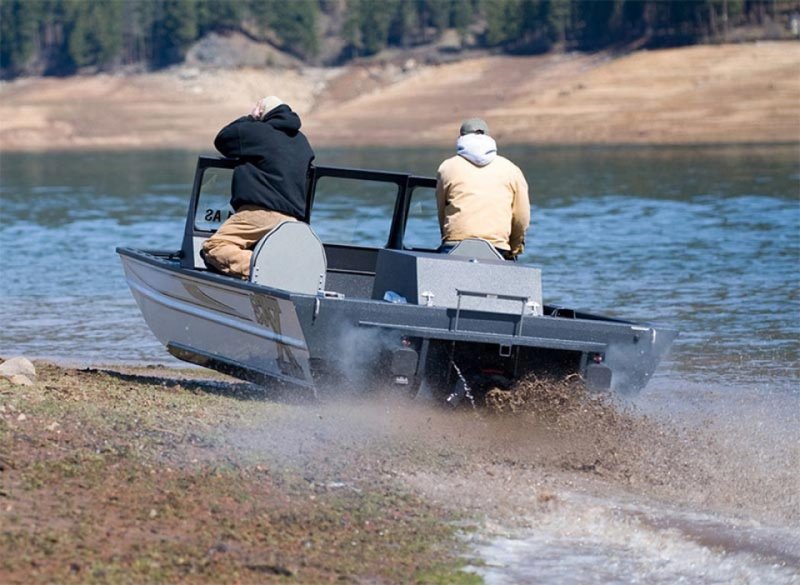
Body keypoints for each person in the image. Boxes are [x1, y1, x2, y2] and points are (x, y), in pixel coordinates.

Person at [201, 96, 315, 279]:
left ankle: (267, 270)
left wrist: (250, 118)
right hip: (292, 221)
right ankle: (282, 274)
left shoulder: (258, 132)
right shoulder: (302, 141)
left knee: (215, 247)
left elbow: (222, 140)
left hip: (258, 213)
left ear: (262, 113)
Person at [435, 118, 530, 260]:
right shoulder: (512, 170)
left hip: (454, 245)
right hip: (498, 247)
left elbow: (442, 211)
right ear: (488, 137)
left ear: (461, 138)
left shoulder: (447, 168)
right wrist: (514, 248)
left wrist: (446, 238)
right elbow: (522, 217)